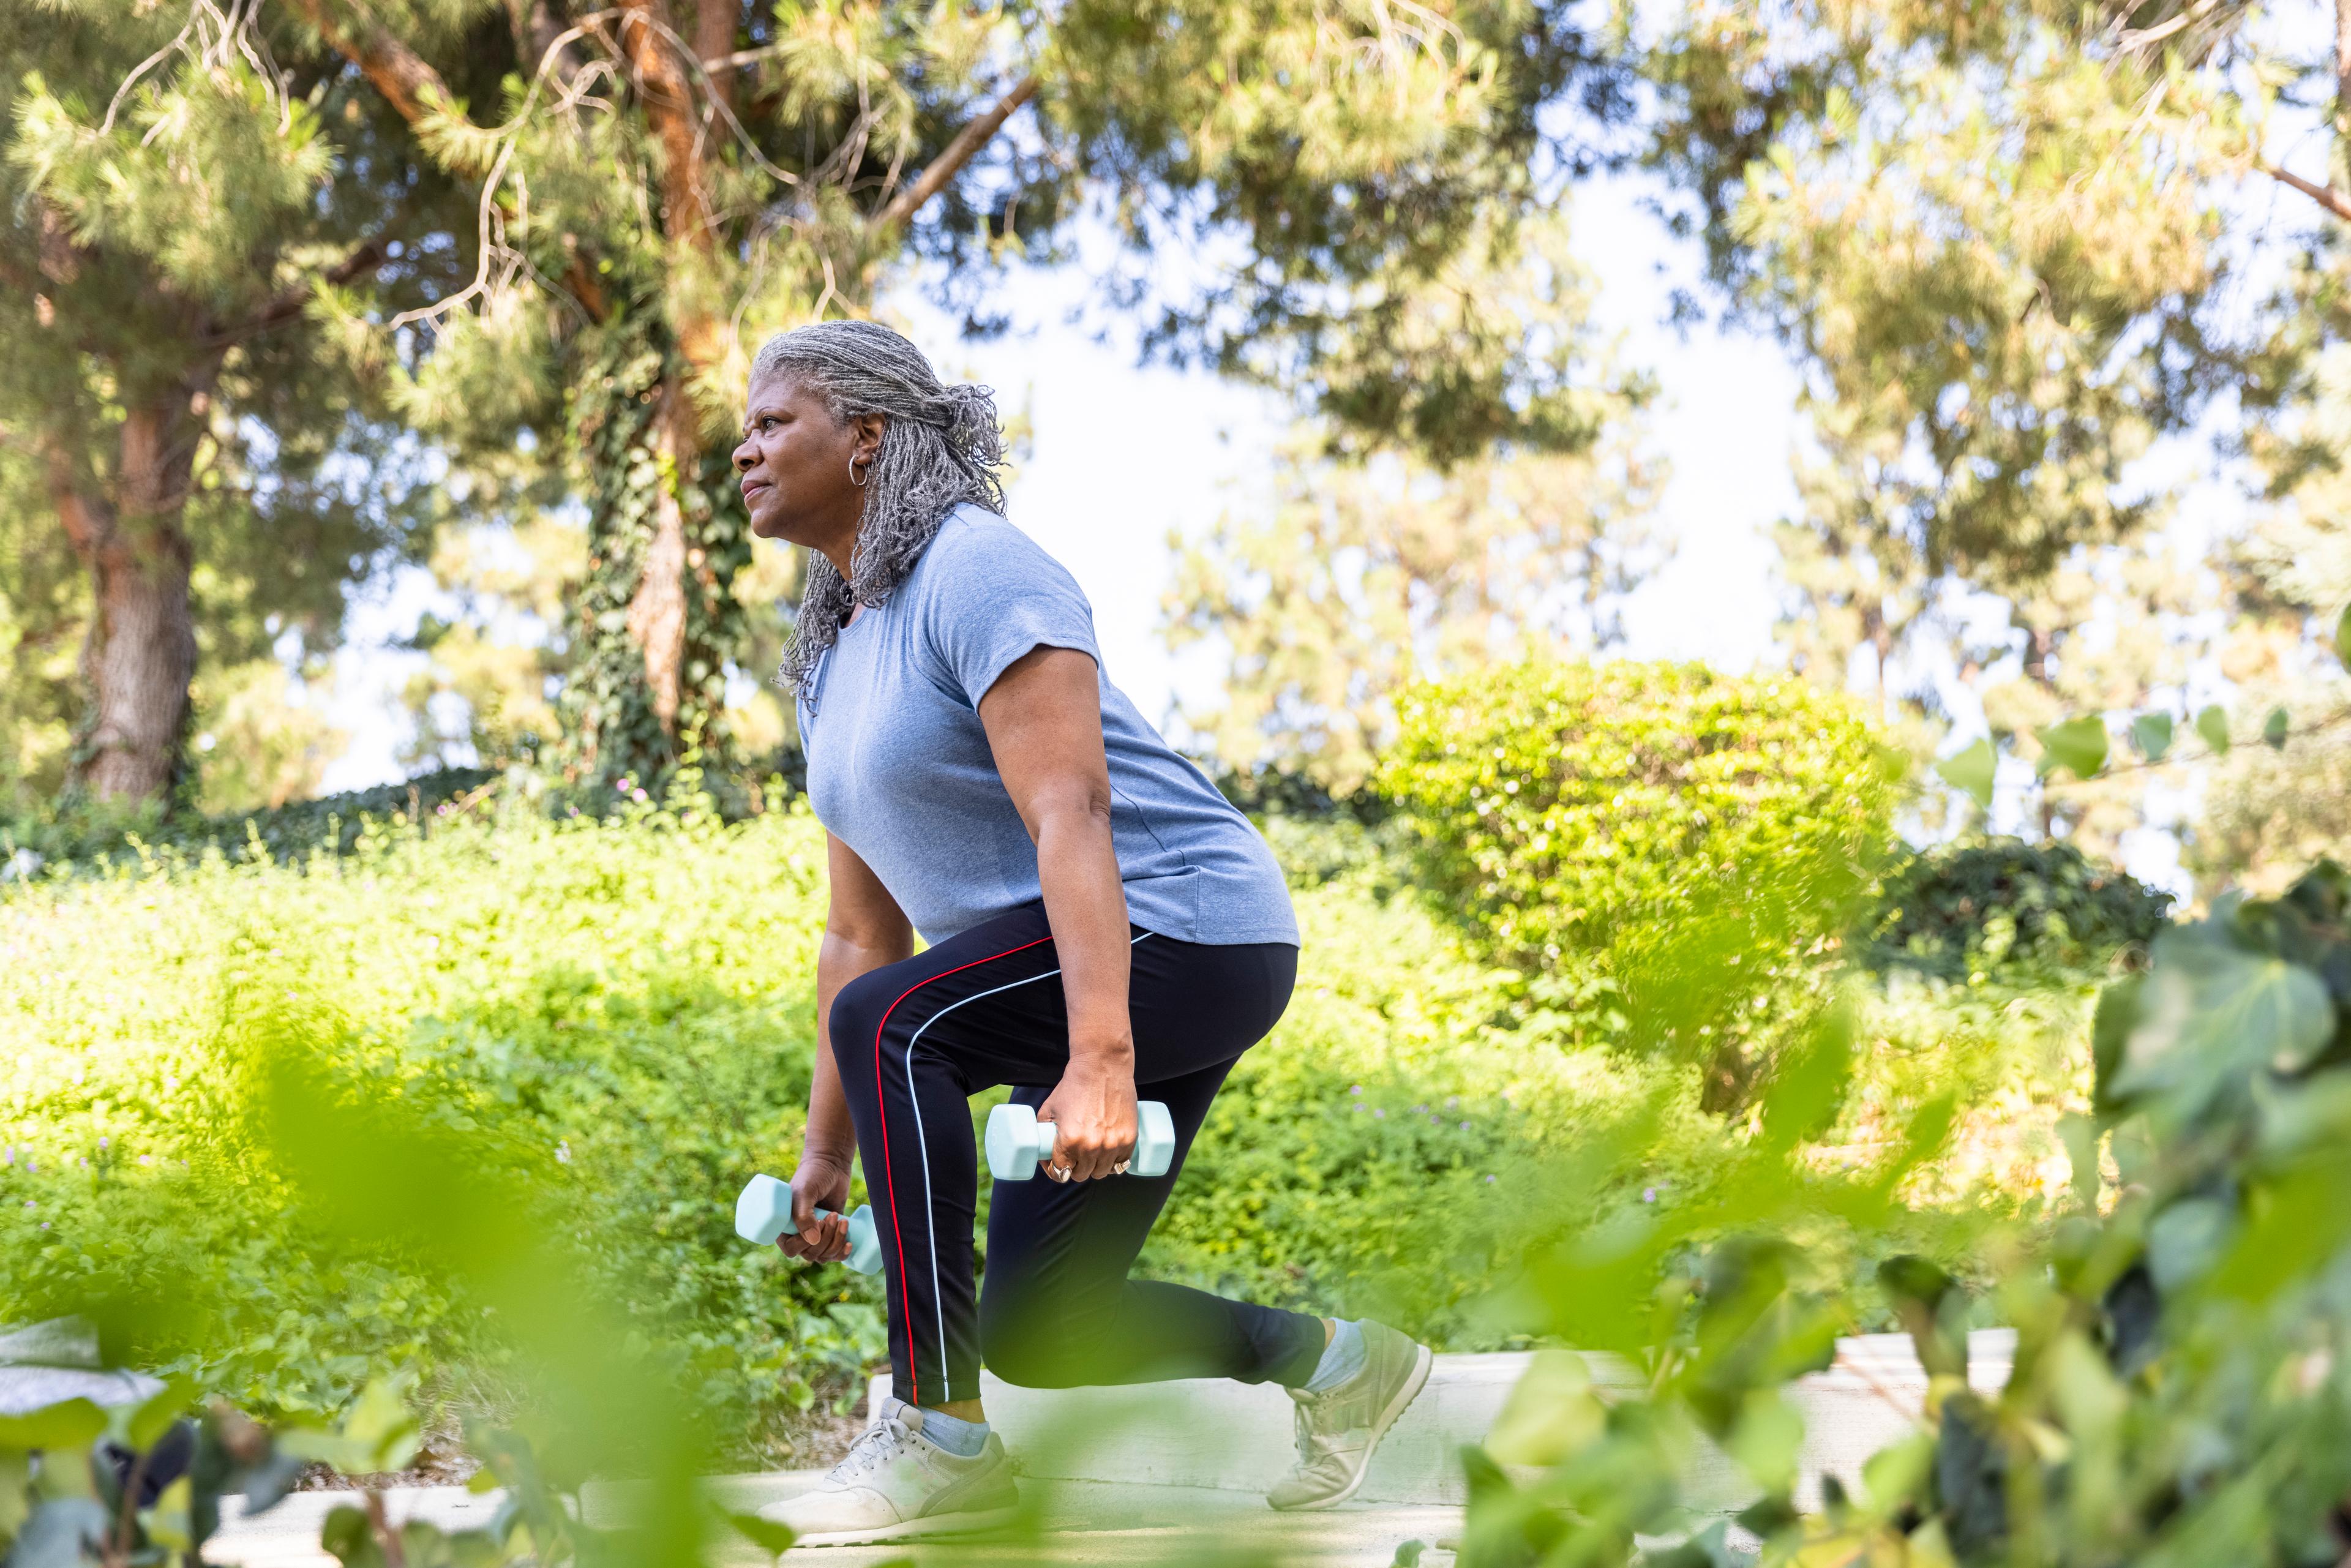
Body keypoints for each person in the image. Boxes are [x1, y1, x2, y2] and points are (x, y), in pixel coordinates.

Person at [733, 320, 1432, 1547]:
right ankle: (1341, 1365)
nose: (742, 448)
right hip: (1077, 959)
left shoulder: (977, 569)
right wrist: (826, 1152)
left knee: (899, 1028)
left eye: (772, 421)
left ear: (866, 437)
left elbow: (1075, 810)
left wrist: (1101, 1053)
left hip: (1184, 925)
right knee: (1044, 1326)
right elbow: (860, 932)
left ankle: (940, 1435)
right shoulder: (834, 650)